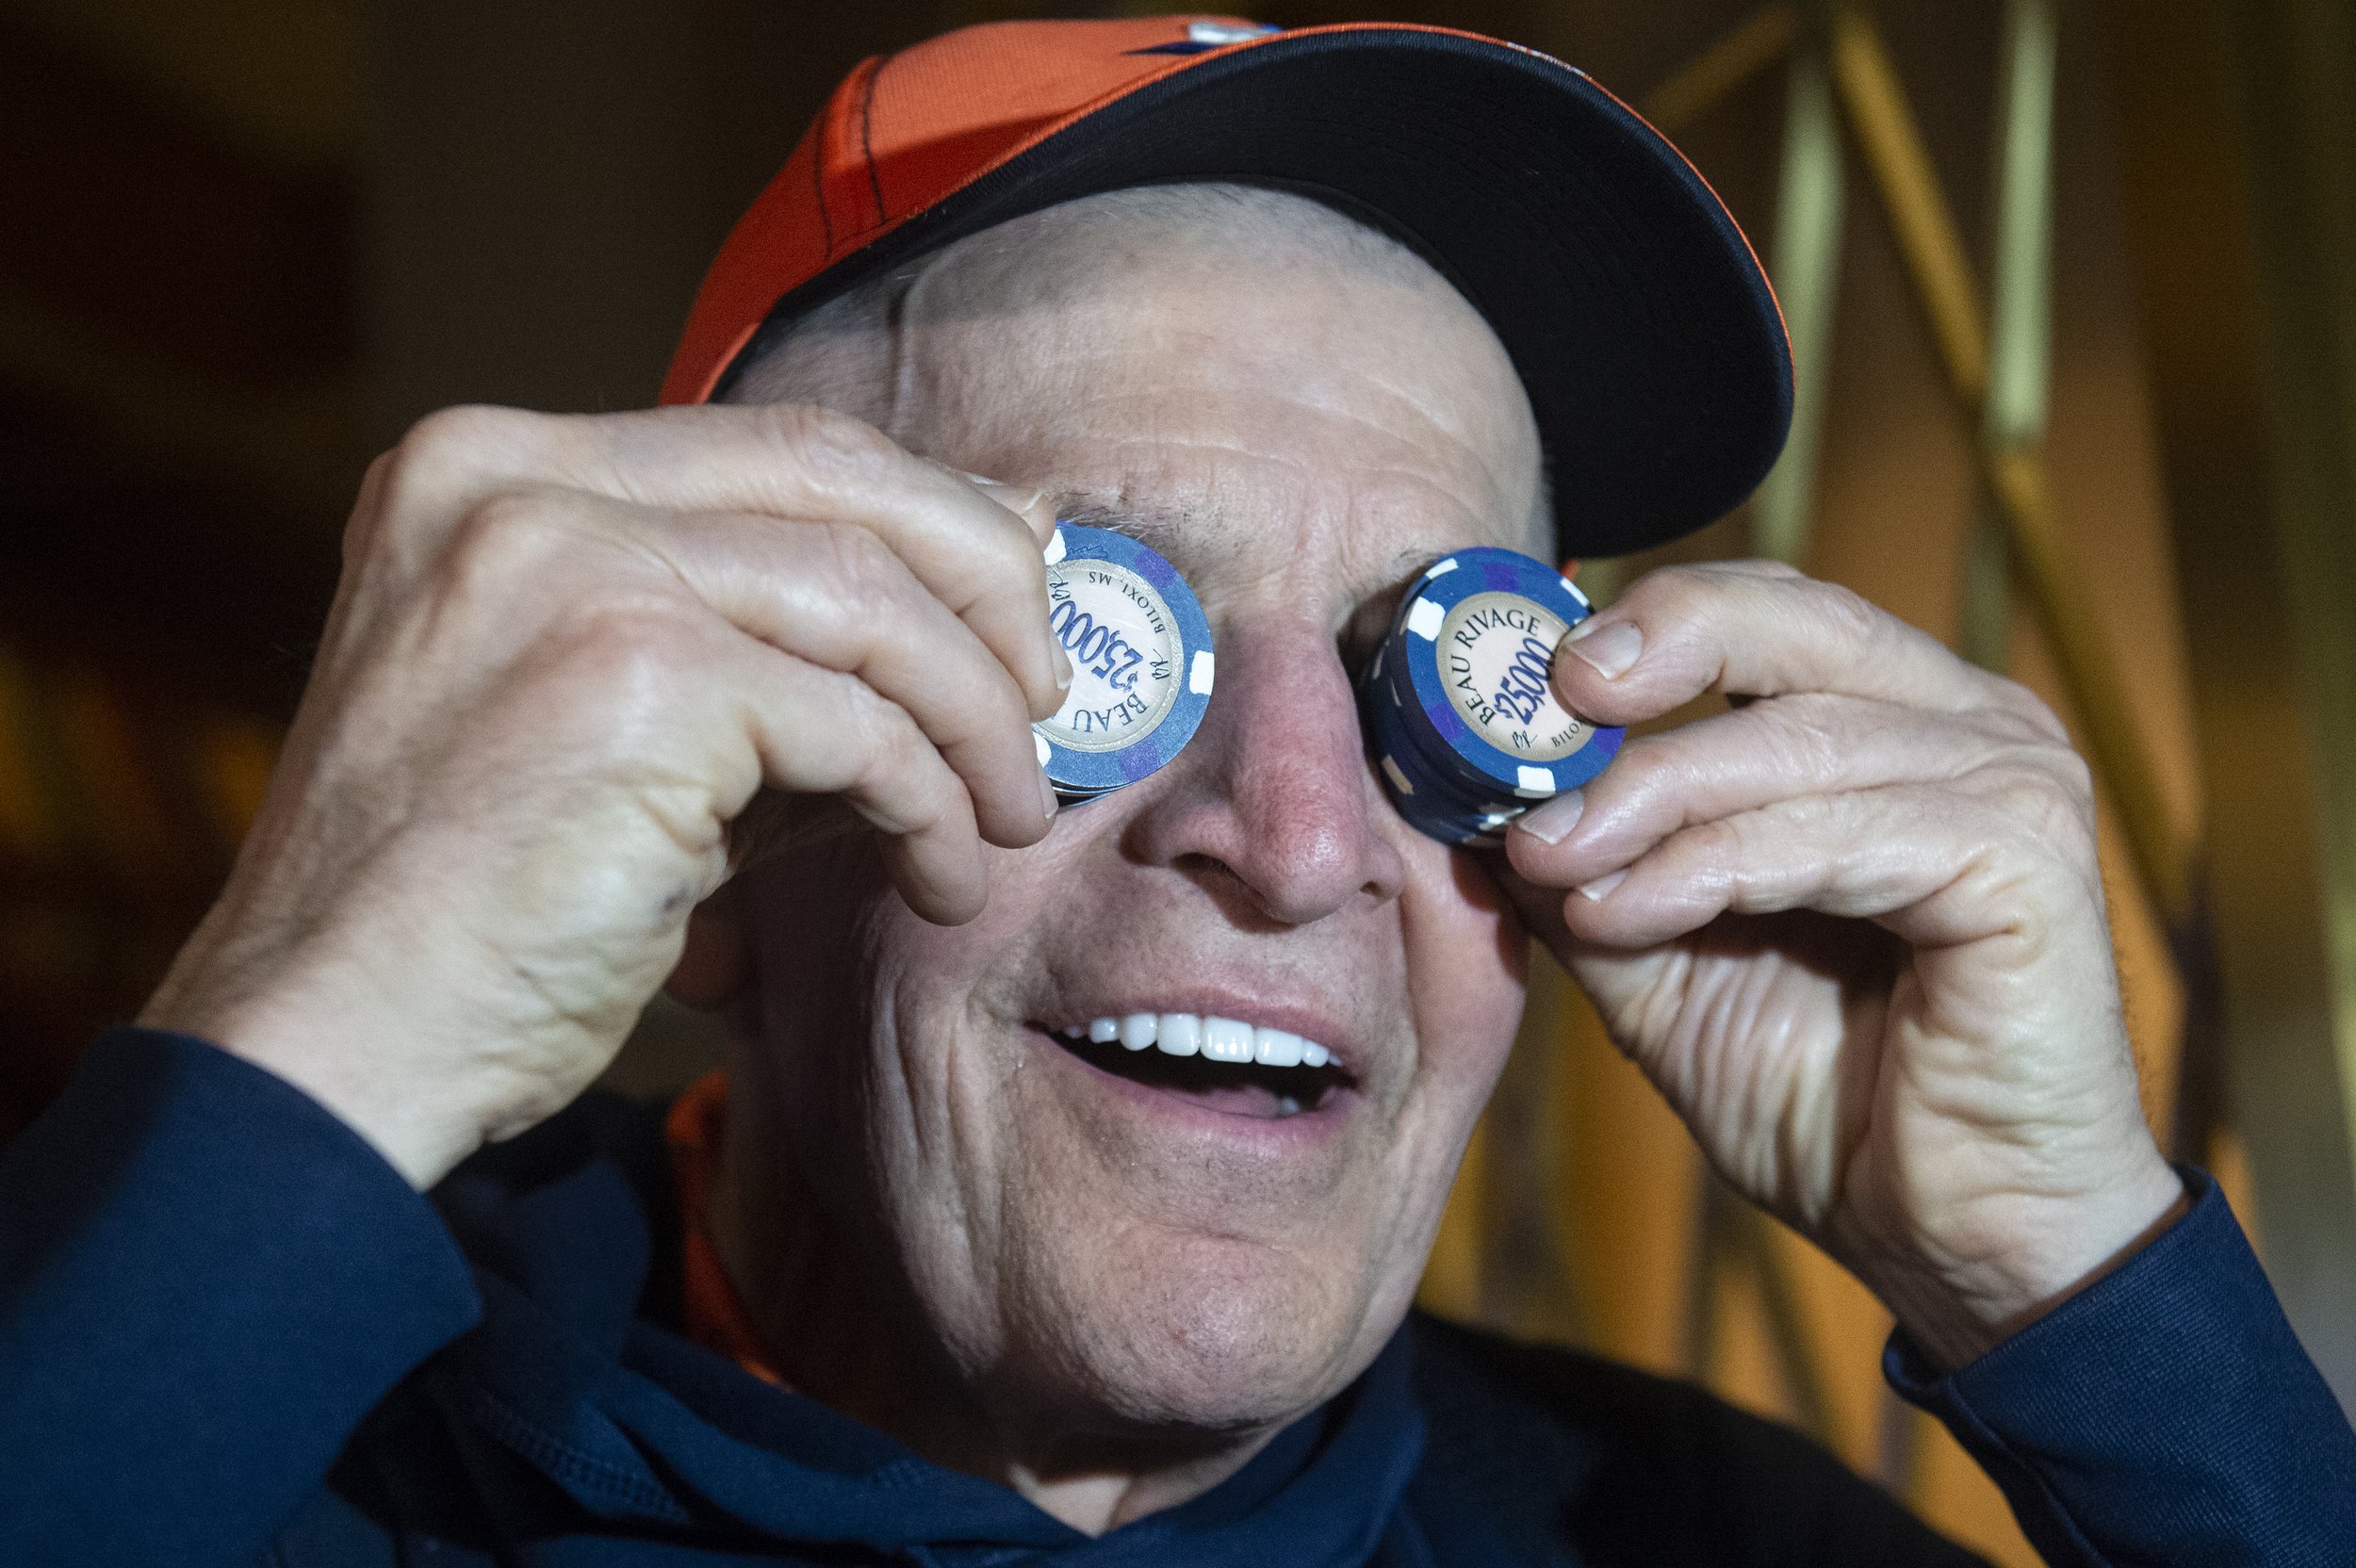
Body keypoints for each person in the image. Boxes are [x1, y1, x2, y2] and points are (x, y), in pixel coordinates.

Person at [1, 17, 2348, 1567]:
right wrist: (304, 1047)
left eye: (1446, 671)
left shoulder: (1707, 1536)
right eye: (1091, 644)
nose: (1302, 831)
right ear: (710, 833)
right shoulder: (227, 1441)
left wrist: (2085, 1282)